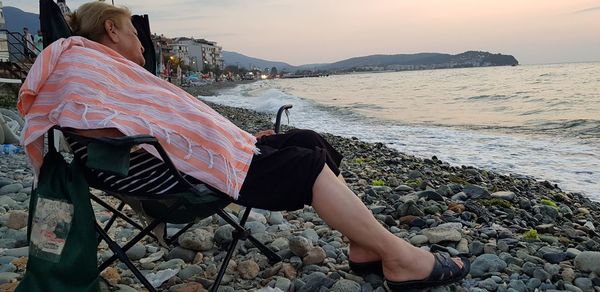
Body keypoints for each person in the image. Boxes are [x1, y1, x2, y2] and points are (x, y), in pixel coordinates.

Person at [18, 2, 469, 291]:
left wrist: (234, 139)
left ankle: (363, 245)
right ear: (114, 29)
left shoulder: (105, 68)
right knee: (305, 165)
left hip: (175, 162)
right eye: (137, 35)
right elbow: (98, 123)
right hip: (172, 178)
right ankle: (400, 258)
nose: (141, 43)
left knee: (308, 140)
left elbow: (151, 120)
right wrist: (183, 147)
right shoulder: (85, 64)